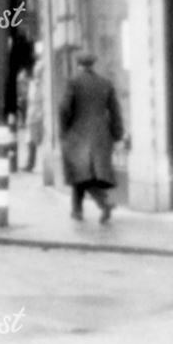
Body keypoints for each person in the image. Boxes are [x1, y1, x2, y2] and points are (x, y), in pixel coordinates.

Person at [58, 52, 124, 223]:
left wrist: (64, 130)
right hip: (101, 136)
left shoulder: (73, 82)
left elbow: (64, 108)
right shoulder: (105, 83)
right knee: (83, 173)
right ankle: (77, 210)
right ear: (93, 65)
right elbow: (115, 111)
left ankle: (103, 203)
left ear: (78, 64)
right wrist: (117, 134)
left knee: (82, 174)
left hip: (79, 135)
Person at [23, 61, 45, 172]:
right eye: (36, 71)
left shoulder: (44, 84)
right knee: (30, 140)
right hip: (32, 114)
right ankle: (30, 163)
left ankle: (34, 164)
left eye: (39, 71)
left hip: (41, 115)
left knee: (38, 139)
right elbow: (30, 100)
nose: (37, 73)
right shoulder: (33, 84)